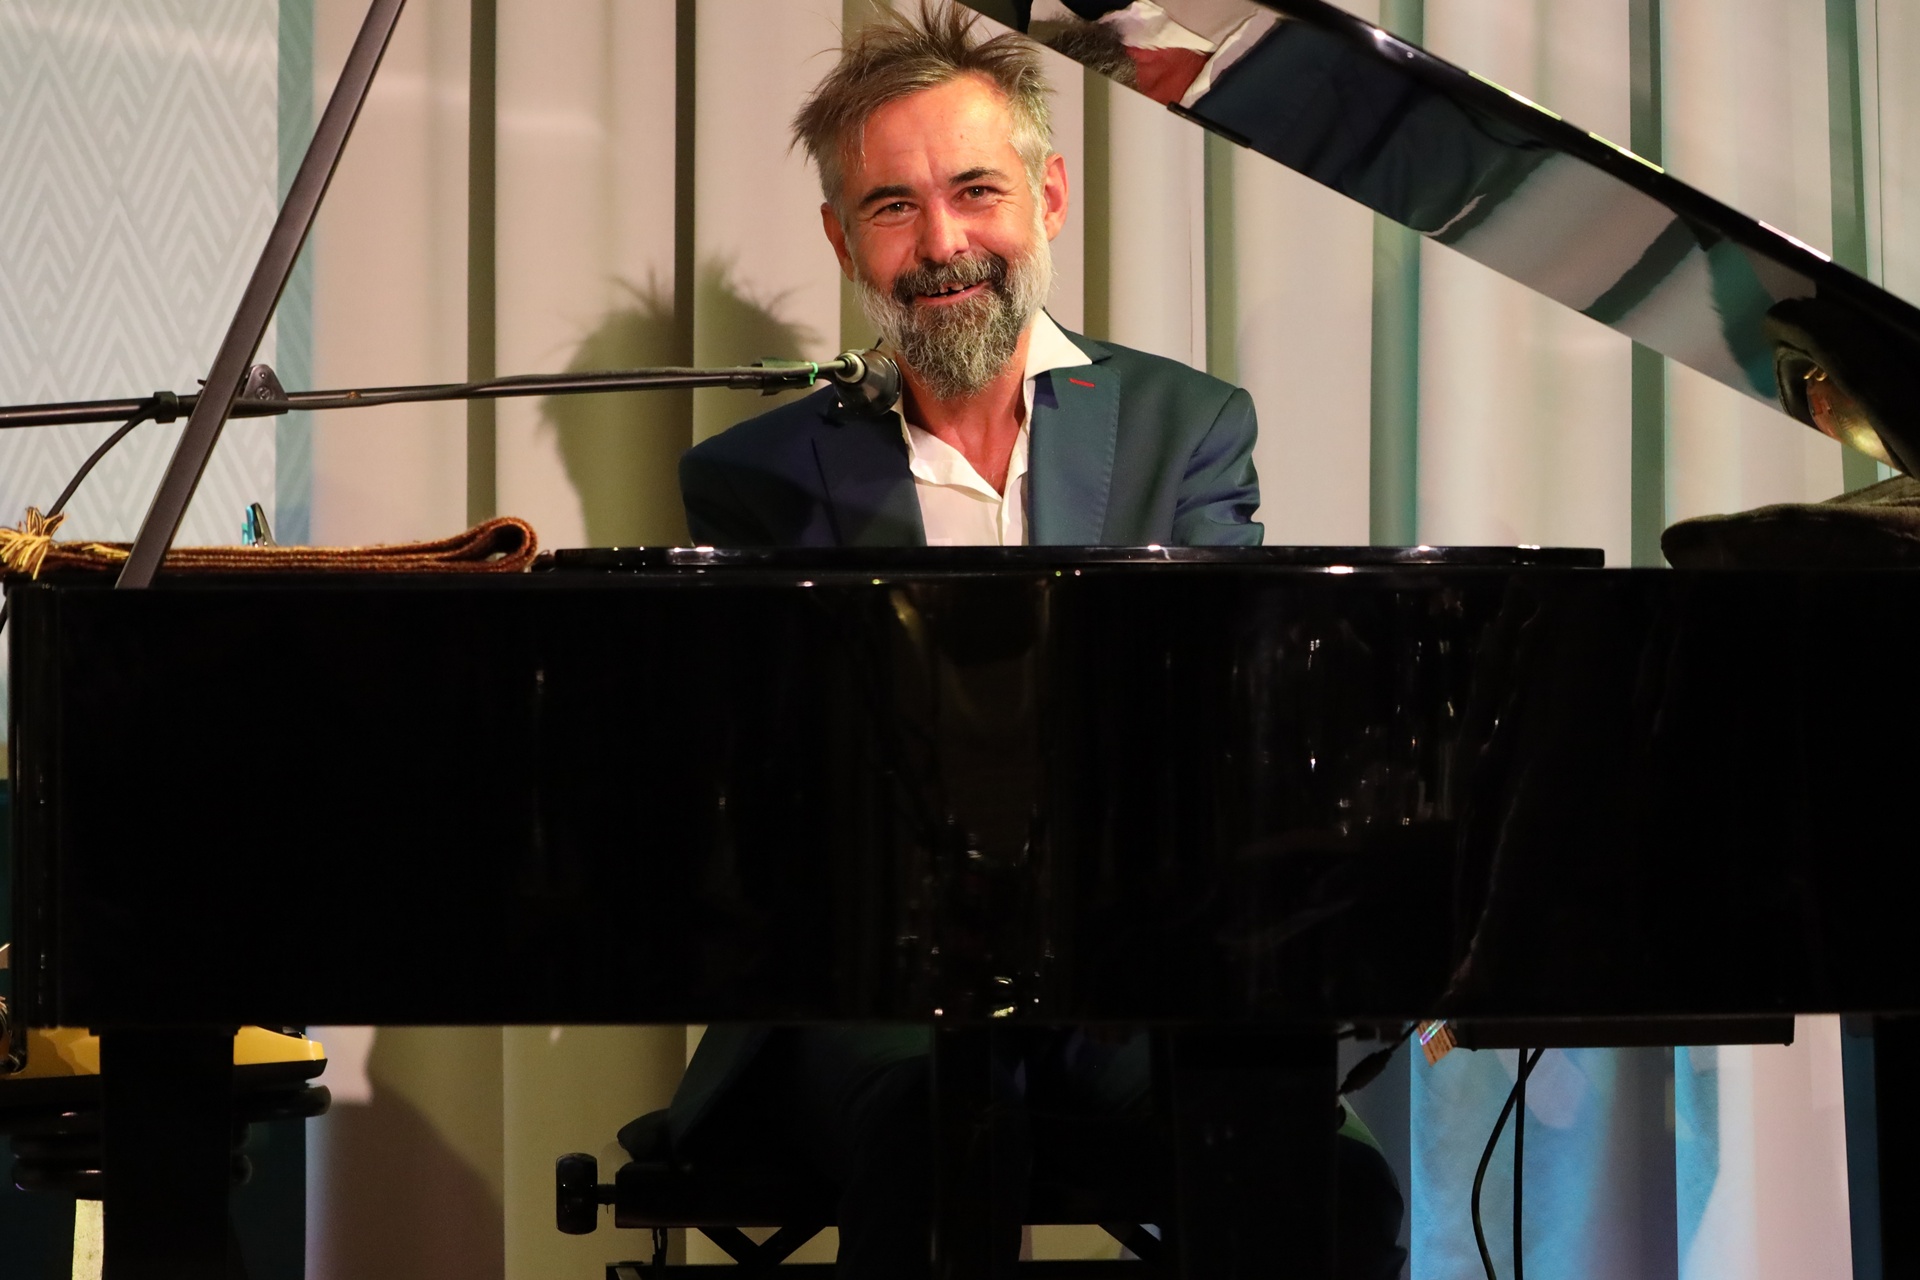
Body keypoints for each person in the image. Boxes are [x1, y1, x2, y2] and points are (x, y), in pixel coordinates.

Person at [667, 5, 1404, 1276]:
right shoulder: (754, 476)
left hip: (1133, 977)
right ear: (843, 240)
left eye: (976, 190)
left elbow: (1217, 726)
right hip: (877, 994)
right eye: (892, 206)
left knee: (1324, 1173)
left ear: (1048, 196)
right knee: (940, 1121)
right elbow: (775, 799)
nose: (944, 242)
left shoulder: (1189, 424)